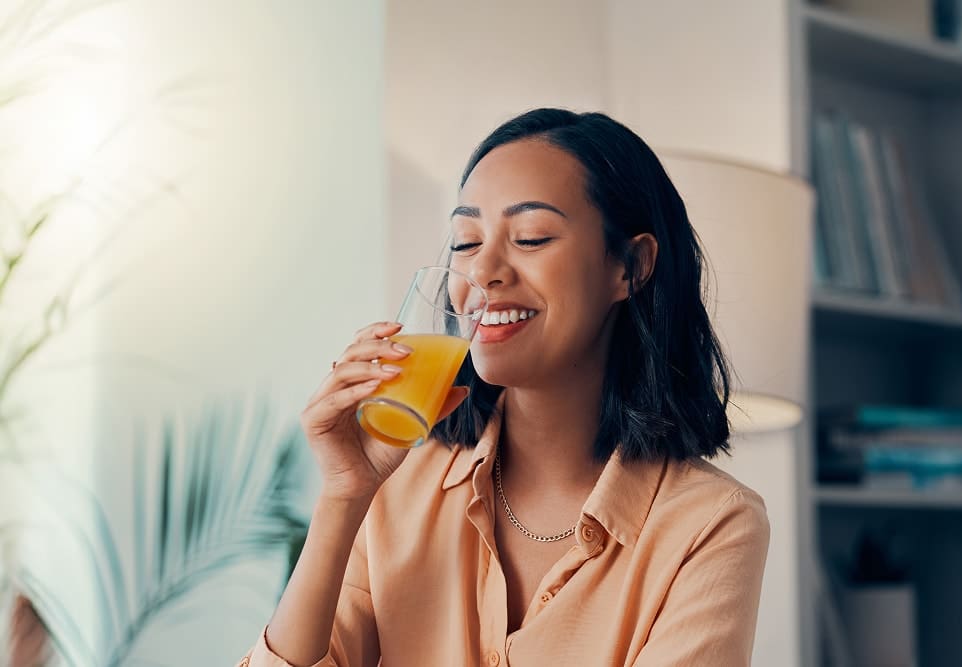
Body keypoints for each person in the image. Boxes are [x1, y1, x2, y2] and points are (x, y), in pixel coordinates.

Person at [239, 108, 769, 667]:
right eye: (465, 243)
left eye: (531, 237)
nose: (483, 272)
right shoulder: (396, 488)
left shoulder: (711, 523)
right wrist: (343, 498)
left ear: (631, 267)